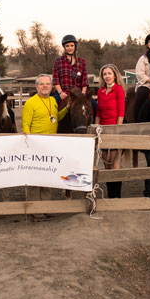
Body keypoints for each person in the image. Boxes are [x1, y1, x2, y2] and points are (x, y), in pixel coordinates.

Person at [22, 74, 69, 203]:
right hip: (35, 145)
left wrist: (67, 109)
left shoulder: (53, 101)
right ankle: (35, 208)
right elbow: (25, 125)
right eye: (42, 84)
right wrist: (28, 144)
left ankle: (46, 206)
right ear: (37, 86)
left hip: (51, 145)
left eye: (47, 84)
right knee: (35, 177)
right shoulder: (30, 103)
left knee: (48, 176)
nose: (45, 86)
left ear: (51, 86)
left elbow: (56, 118)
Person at [95, 64, 126, 198]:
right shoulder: (100, 92)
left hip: (114, 129)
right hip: (103, 130)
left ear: (115, 75)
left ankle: (116, 196)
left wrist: (117, 130)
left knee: (115, 163)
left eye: (109, 73)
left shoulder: (118, 90)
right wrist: (95, 129)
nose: (107, 76)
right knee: (106, 164)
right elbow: (98, 112)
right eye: (104, 74)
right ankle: (110, 195)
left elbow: (121, 112)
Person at [52, 34, 88, 107]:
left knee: (94, 105)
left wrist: (83, 94)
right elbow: (56, 80)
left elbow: (85, 81)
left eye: (72, 45)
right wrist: (60, 93)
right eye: (67, 46)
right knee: (52, 105)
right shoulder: (58, 61)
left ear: (75, 46)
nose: (70, 48)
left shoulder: (82, 62)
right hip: (63, 92)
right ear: (64, 47)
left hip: (79, 93)